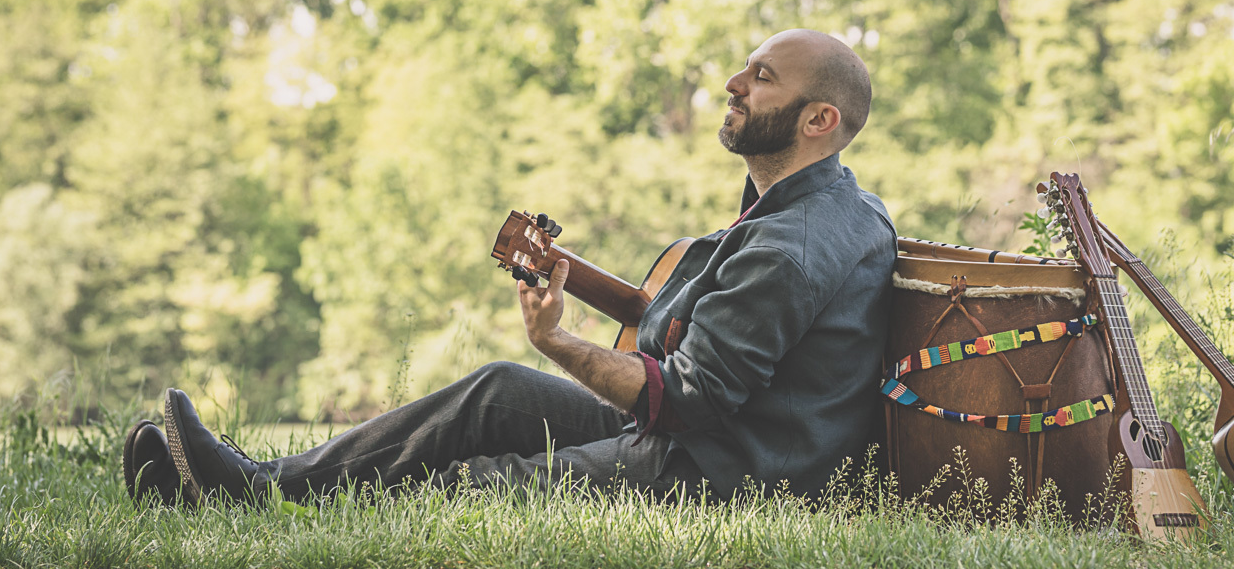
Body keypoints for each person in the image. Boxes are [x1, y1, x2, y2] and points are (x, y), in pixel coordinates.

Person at [124, 28, 896, 506]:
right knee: (496, 390)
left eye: (762, 77)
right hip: (727, 435)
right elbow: (692, 336)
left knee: (478, 485)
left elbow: (686, 400)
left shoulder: (788, 247)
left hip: (725, 471)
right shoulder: (830, 206)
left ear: (819, 119)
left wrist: (558, 342)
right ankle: (256, 483)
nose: (733, 83)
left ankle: (248, 495)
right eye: (747, 68)